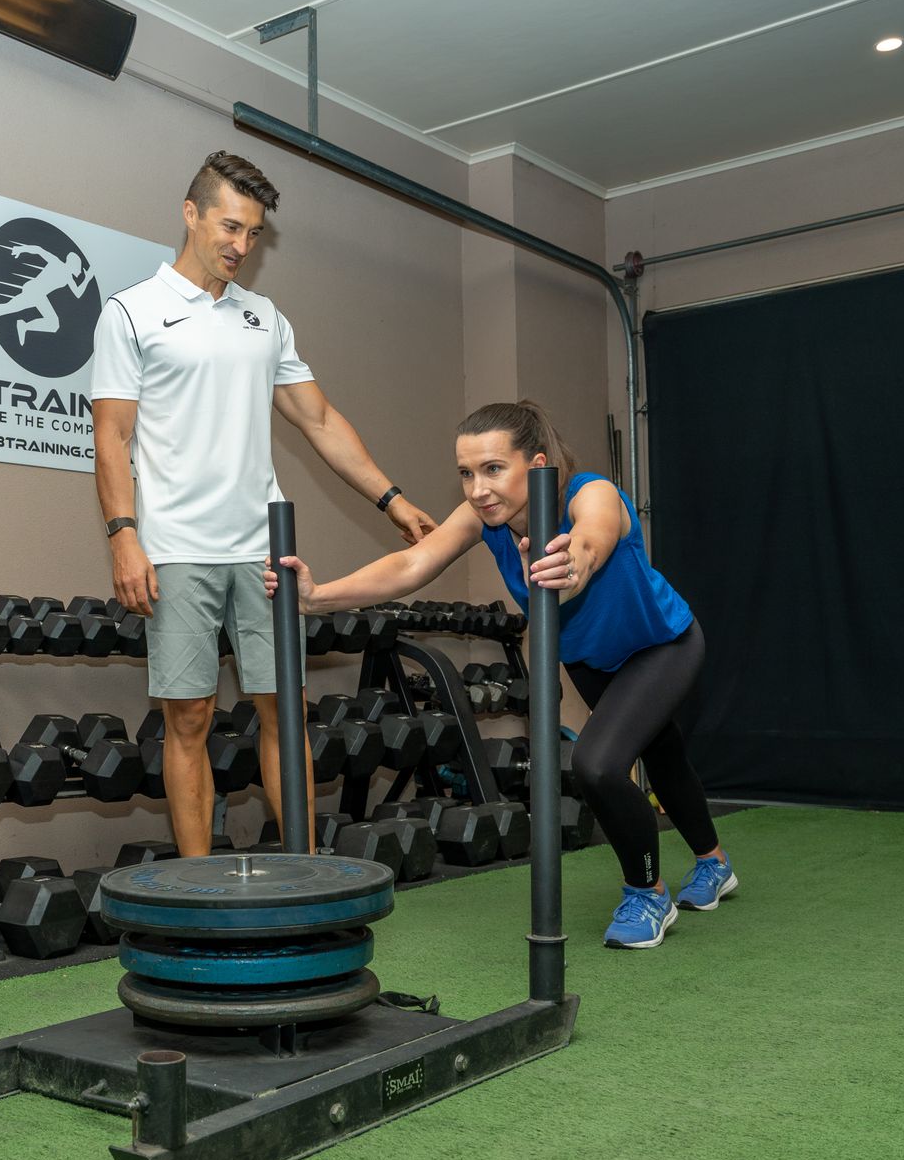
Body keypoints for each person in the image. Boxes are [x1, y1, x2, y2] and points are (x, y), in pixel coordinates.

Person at [266, 400, 735, 948]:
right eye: (466, 473)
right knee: (662, 750)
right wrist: (319, 597)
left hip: (664, 645)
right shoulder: (483, 520)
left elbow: (595, 534)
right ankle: (714, 862)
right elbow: (412, 565)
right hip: (589, 657)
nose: (477, 489)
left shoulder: (588, 492)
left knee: (600, 764)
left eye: (493, 469)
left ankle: (646, 892)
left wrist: (574, 562)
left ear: (536, 464)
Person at [91, 150, 437, 857]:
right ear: (190, 213)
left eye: (253, 233)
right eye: (229, 226)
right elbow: (112, 435)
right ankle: (196, 884)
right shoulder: (131, 313)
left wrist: (390, 497)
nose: (240, 246)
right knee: (187, 718)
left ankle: (304, 870)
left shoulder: (264, 318)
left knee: (283, 710)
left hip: (263, 547)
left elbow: (319, 420)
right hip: (177, 547)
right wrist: (123, 535)